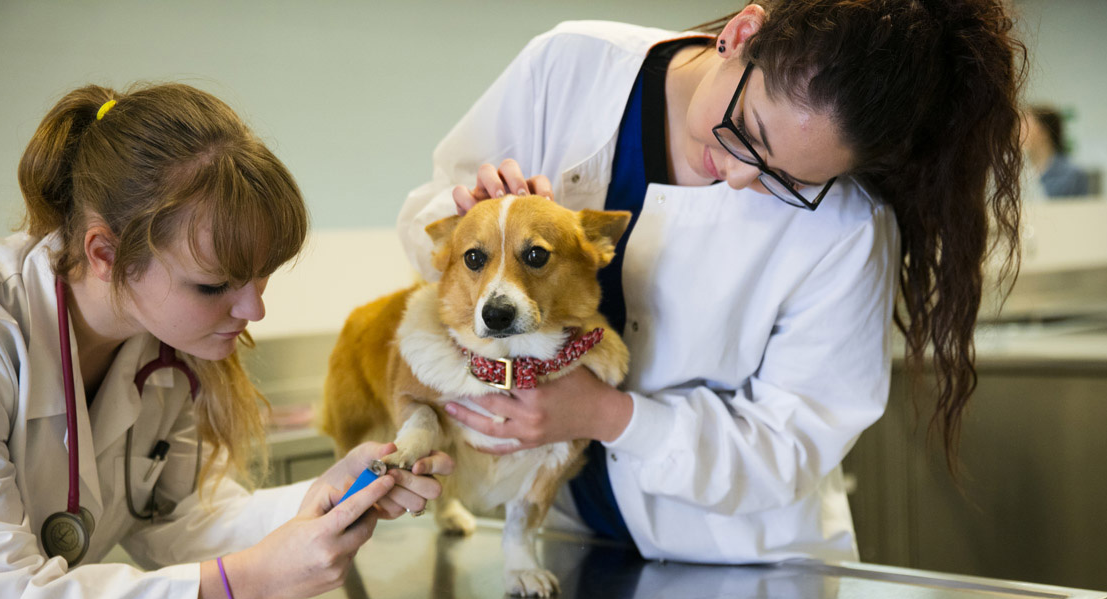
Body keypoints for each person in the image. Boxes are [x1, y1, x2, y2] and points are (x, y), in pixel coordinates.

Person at [398, 0, 1025, 564]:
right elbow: (423, 222)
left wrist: (609, 416)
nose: (738, 176)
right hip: (564, 540)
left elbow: (790, 442)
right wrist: (472, 230)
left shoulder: (849, 228)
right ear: (741, 33)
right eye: (746, 132)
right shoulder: (571, 68)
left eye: (787, 180)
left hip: (737, 566)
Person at [0, 83, 451, 599]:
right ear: (105, 252)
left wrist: (332, 496)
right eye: (215, 286)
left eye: (263, 277)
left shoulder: (163, 348)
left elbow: (182, 517)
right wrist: (248, 582)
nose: (254, 311)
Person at [1021, 104, 1092, 198]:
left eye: (1026, 126)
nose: (1019, 132)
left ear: (1044, 131)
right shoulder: (1017, 174)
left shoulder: (1072, 175)